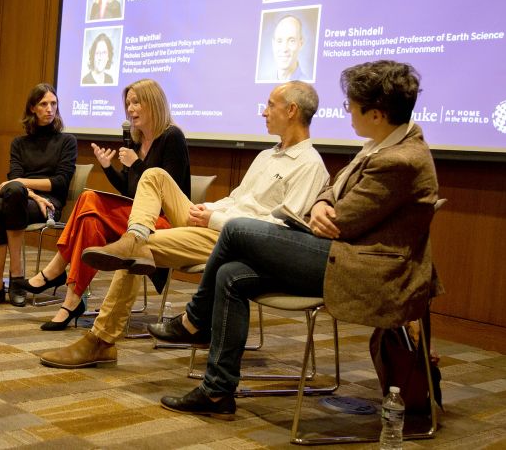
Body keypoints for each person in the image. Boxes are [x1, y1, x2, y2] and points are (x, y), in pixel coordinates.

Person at [152, 60, 439, 419]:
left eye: (352, 105)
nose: (346, 111)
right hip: (341, 252)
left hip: (362, 269)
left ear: (378, 114)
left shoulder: (401, 159)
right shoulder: (380, 145)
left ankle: (194, 321)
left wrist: (326, 209)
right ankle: (217, 392)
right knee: (231, 276)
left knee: (238, 230)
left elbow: (344, 223)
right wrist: (322, 203)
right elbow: (333, 192)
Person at [38, 80, 329, 368]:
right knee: (153, 177)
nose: (264, 112)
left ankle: (100, 341)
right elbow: (238, 199)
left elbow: (278, 231)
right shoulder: (267, 155)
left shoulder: (309, 164)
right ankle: (134, 237)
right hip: (214, 223)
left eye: (270, 105)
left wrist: (213, 219)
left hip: (237, 240)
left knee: (132, 253)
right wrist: (209, 209)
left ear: (291, 110)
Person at [12, 78, 190, 330]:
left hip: (163, 224)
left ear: (153, 102)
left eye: (136, 102)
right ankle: (72, 301)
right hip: (136, 219)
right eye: (128, 103)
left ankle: (55, 270)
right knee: (90, 221)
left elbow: (167, 191)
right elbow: (130, 191)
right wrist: (108, 167)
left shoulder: (172, 137)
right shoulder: (138, 142)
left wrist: (136, 163)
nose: (130, 109)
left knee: (89, 199)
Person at [0, 83, 77, 307]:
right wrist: (29, 191)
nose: (50, 109)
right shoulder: (19, 143)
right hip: (22, 200)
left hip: (48, 206)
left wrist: (22, 185)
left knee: (1, 201)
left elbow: (60, 183)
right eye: (43, 104)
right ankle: (5, 282)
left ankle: (6, 281)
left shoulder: (67, 141)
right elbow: (15, 177)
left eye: (53, 104)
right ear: (32, 108)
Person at [271, 15, 306, 81]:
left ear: (301, 44)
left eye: (291, 41)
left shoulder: (306, 85)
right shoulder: (266, 79)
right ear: (273, 44)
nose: (284, 49)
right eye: (279, 41)